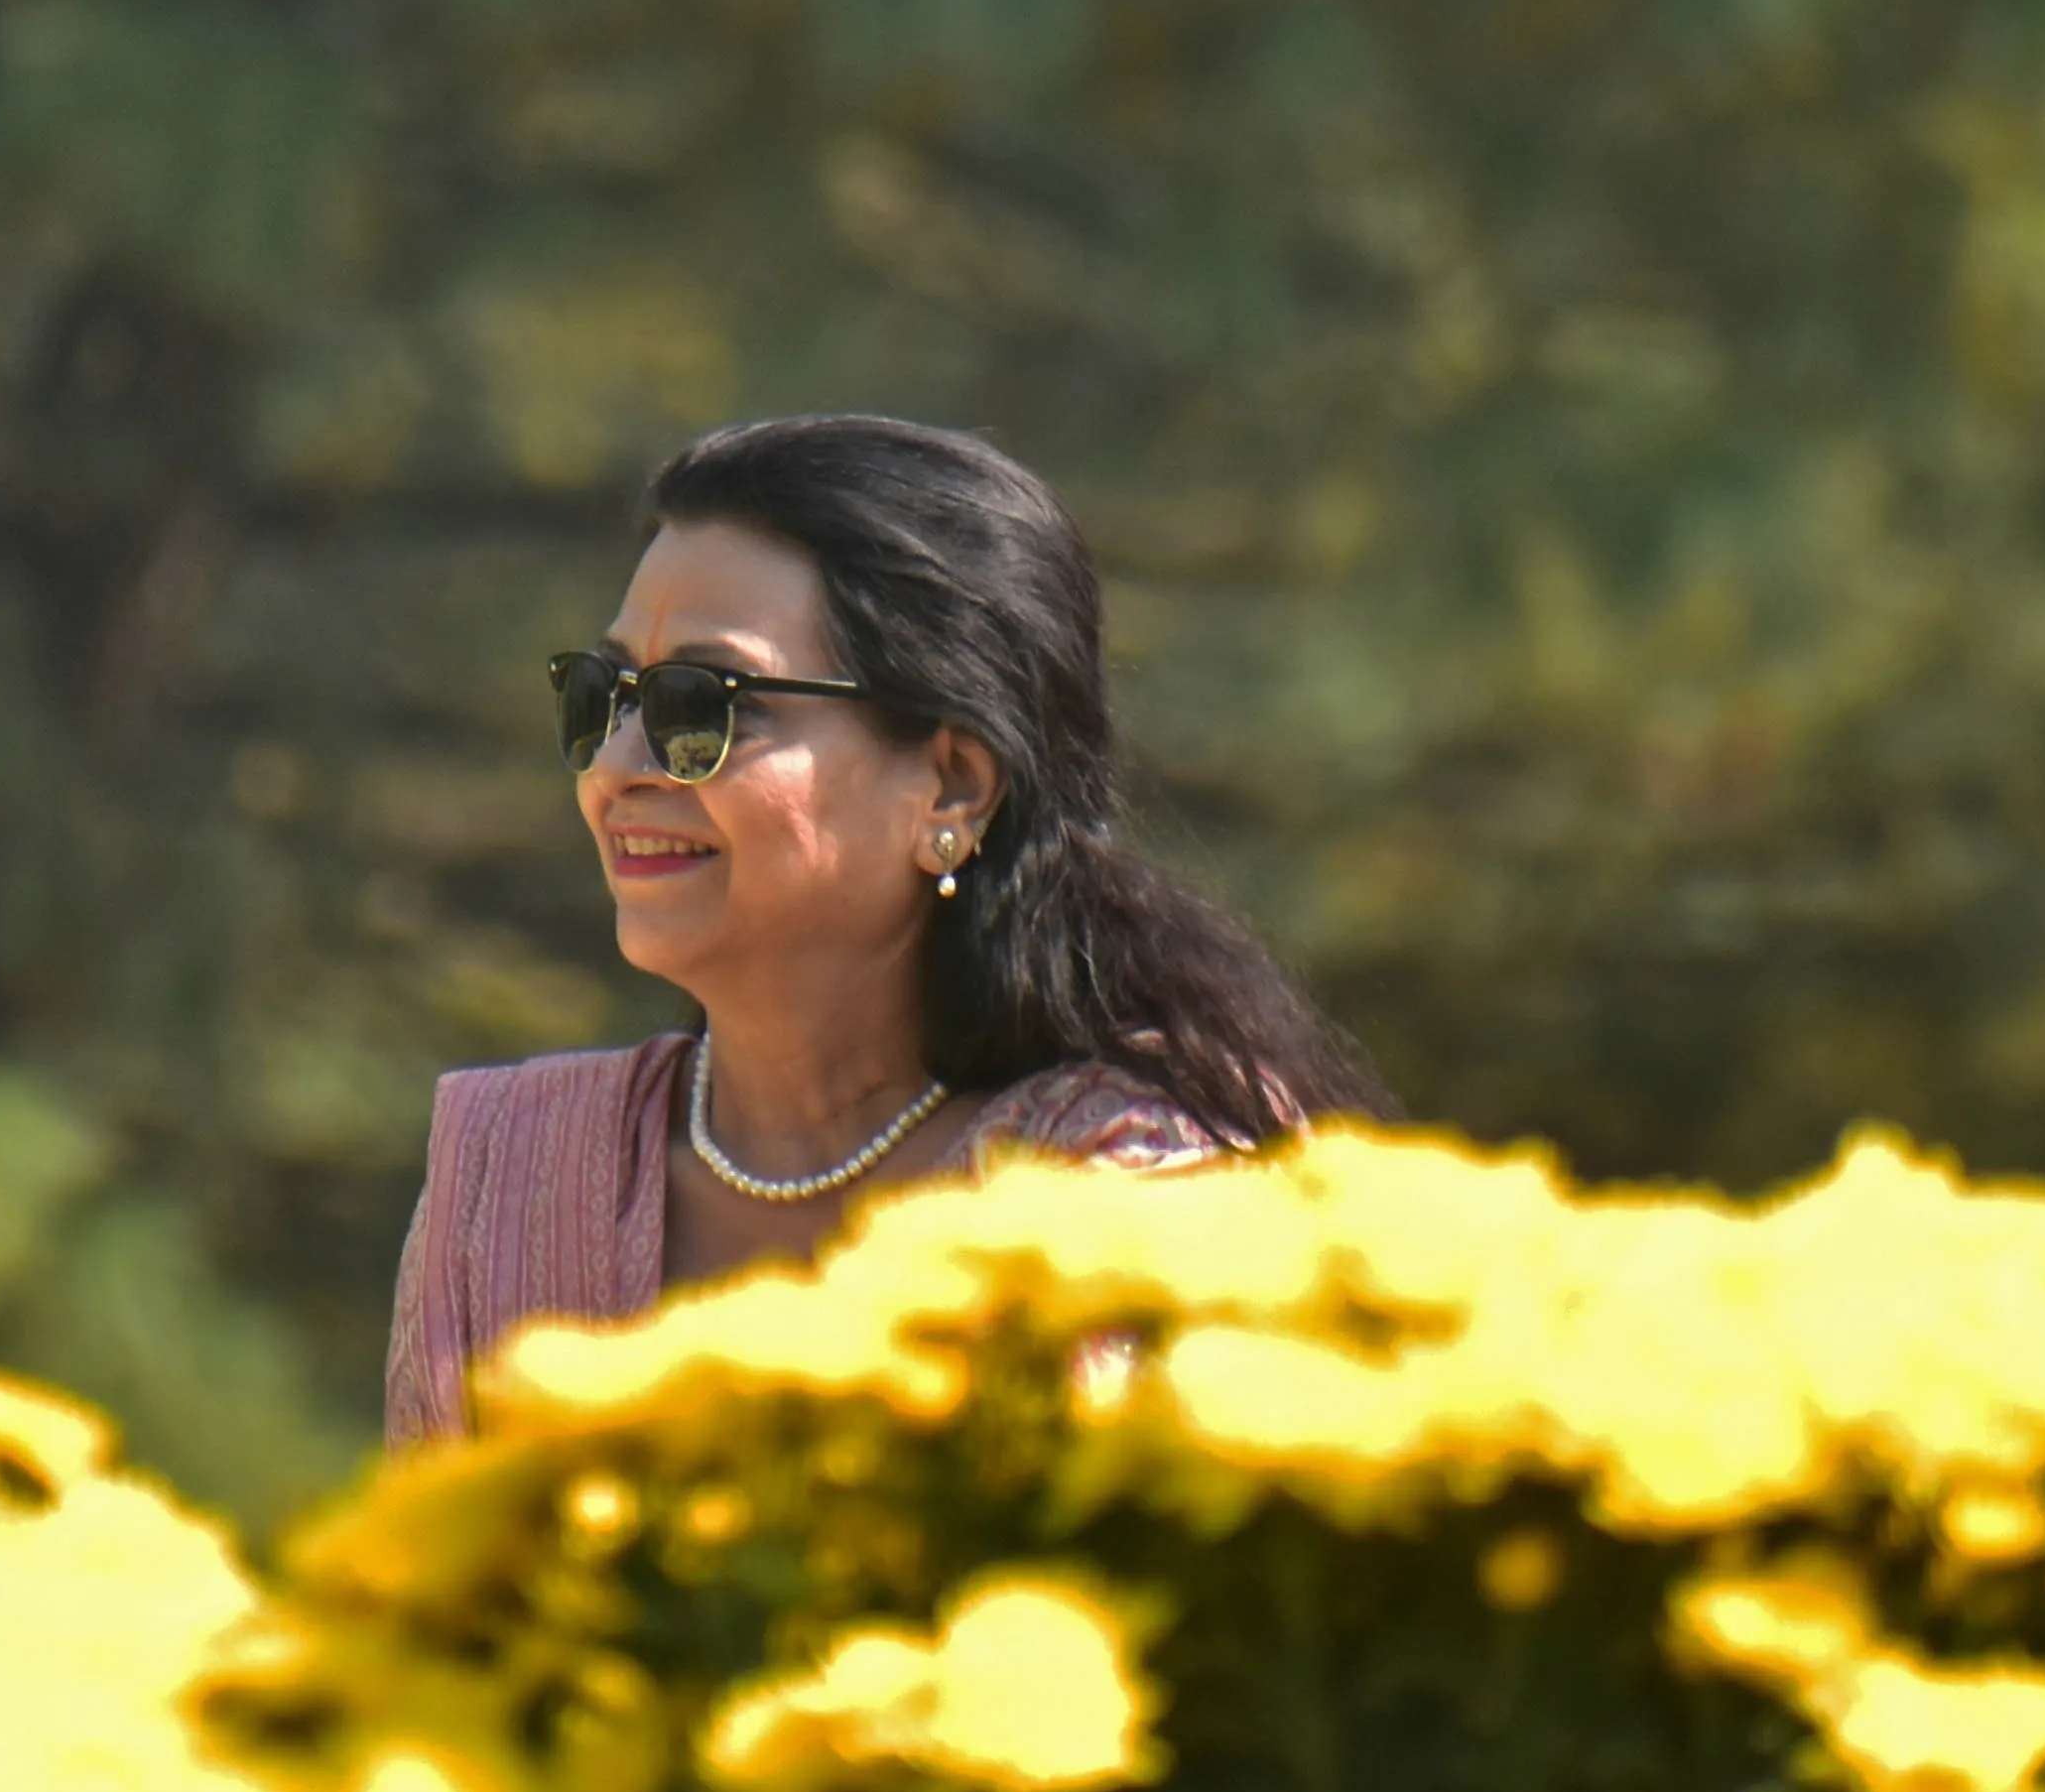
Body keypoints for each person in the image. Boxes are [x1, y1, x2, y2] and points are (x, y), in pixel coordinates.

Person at [382, 413, 1380, 1445]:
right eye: (602, 696)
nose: (614, 765)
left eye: (703, 703)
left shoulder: (1137, 1204)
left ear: (951, 785)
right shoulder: (506, 1189)